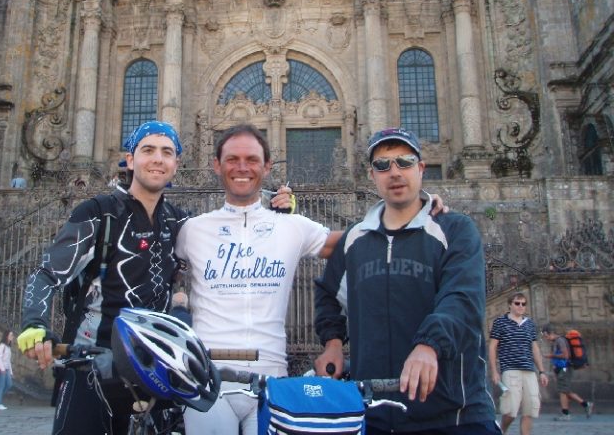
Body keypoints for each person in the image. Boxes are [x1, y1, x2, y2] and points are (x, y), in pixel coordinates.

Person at [16, 121, 291, 435]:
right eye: (148, 150)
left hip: (153, 369)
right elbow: (48, 274)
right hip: (90, 367)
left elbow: (236, 248)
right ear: (130, 160)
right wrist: (34, 323)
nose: (157, 159)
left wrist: (276, 215)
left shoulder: (179, 222)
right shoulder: (96, 213)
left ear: (176, 164)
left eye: (167, 152)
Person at [174, 124, 448, 435]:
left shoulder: (292, 227)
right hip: (209, 377)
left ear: (266, 167)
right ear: (216, 165)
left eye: (251, 159)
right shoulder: (192, 230)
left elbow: (361, 242)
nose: (241, 167)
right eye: (232, 159)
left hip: (271, 381)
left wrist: (415, 209)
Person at [314, 127, 498, 435]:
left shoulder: (455, 230)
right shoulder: (354, 240)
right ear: (372, 175)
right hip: (375, 413)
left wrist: (429, 345)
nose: (394, 172)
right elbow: (327, 294)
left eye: (405, 162)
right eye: (383, 165)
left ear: (421, 168)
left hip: (454, 414)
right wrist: (333, 343)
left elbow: (462, 299)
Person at [488, 292, 548, 434]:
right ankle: (503, 429)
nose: (521, 306)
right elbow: (492, 346)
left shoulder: (530, 324)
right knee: (510, 410)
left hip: (529, 370)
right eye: (517, 303)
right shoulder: (500, 322)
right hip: (510, 369)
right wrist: (494, 371)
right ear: (510, 305)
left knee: (531, 408)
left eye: (523, 304)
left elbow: (534, 348)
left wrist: (542, 371)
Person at [541, 324, 594, 421]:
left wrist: (550, 356)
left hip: (564, 368)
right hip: (562, 369)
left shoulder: (560, 341)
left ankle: (574, 410)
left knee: (564, 391)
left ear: (548, 333)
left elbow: (565, 355)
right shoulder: (557, 341)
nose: (545, 338)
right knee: (564, 391)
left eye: (545, 335)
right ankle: (581, 406)